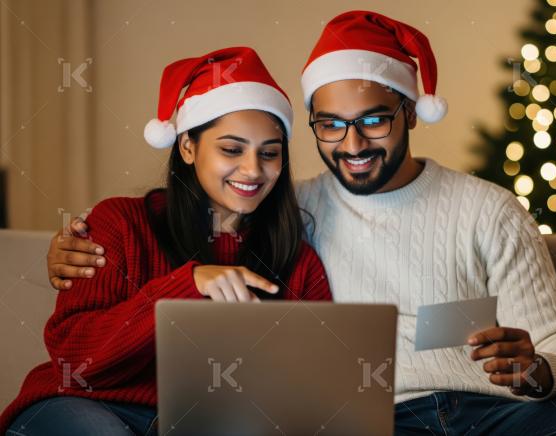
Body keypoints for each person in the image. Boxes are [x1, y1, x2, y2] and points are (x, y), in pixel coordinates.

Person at [43, 11, 556, 435]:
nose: (351, 143)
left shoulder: (487, 208)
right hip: (380, 423)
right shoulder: (288, 214)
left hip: (505, 419)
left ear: (409, 112)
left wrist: (539, 372)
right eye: (328, 124)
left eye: (373, 120)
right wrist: (72, 251)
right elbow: (187, 258)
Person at [1, 46, 331, 435]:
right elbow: (74, 359)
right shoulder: (119, 222)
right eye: (231, 149)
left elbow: (312, 386)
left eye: (270, 153)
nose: (252, 169)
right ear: (188, 146)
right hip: (83, 404)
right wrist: (184, 287)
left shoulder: (298, 260)